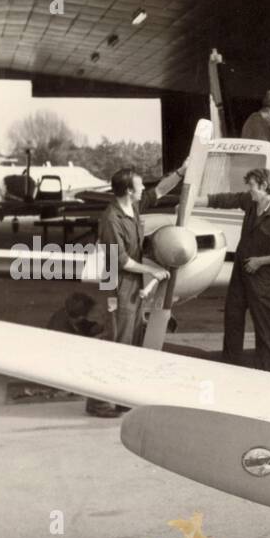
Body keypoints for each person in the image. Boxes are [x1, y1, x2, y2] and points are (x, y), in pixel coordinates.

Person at [85, 167, 171, 416]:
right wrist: (151, 270)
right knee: (116, 342)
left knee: (131, 342)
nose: (144, 188)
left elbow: (158, 192)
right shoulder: (111, 219)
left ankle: (121, 397)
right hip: (116, 283)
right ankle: (97, 401)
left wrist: (183, 171)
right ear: (129, 191)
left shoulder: (131, 207)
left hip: (130, 281)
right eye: (140, 185)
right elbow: (120, 261)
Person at [196, 168, 270, 371]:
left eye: (252, 186)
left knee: (265, 327)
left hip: (261, 278)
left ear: (263, 186)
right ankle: (231, 367)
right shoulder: (252, 203)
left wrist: (261, 261)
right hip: (240, 273)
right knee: (233, 318)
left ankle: (266, 371)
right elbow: (228, 199)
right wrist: (196, 201)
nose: (249, 191)